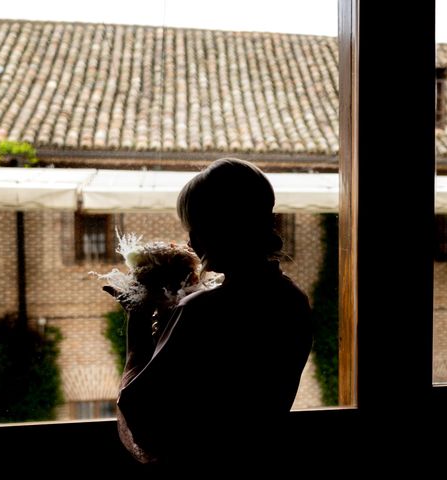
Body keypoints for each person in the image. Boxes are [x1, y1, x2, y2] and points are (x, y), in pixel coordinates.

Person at [107, 158, 313, 468]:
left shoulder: (201, 310)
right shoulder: (293, 299)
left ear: (212, 230)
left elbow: (140, 428)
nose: (189, 240)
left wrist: (138, 324)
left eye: (193, 227)